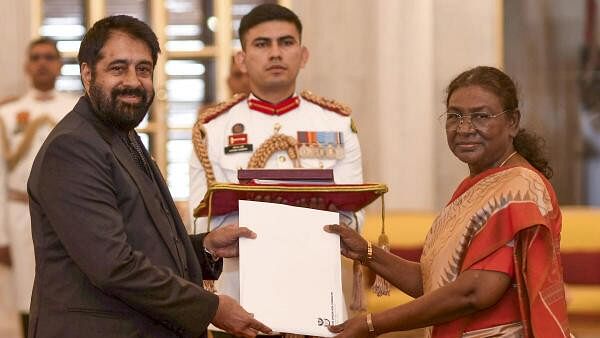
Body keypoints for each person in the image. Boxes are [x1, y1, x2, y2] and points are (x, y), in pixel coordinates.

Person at [27, 15, 271, 338]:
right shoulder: (73, 147)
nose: (133, 81)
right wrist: (212, 309)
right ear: (87, 74)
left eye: (143, 69)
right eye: (118, 68)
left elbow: (145, 240)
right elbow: (114, 266)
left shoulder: (120, 134)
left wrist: (206, 247)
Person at [325, 66, 571, 337]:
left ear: (512, 122)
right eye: (455, 116)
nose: (464, 128)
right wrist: (366, 253)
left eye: (481, 116)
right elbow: (436, 284)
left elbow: (474, 291)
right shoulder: (477, 186)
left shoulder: (519, 187)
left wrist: (372, 324)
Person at [188, 3, 364, 337]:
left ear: (303, 54)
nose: (275, 53)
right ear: (242, 59)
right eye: (261, 44)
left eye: (286, 42)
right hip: (239, 303)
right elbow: (201, 219)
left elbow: (353, 215)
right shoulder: (212, 129)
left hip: (317, 296)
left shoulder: (336, 123)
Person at [0, 37, 78, 337]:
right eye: (36, 57)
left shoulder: (76, 109)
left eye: (49, 57)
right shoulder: (7, 115)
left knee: (70, 289)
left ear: (59, 65)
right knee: (26, 293)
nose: (42, 63)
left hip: (71, 214)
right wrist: (2, 236)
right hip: (22, 213)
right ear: (27, 66)